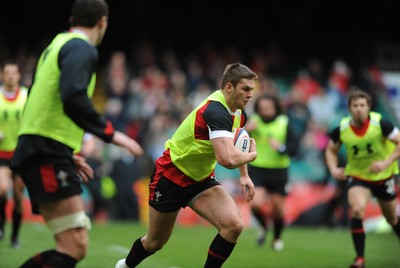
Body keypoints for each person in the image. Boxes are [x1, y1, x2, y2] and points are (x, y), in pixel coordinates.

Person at [10, 0, 144, 267]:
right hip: (45, 150)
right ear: (102, 22)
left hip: (45, 147)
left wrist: (67, 153)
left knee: (75, 245)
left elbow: (43, 102)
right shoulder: (83, 48)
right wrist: (111, 134)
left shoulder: (56, 45)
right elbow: (72, 95)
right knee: (73, 246)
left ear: (73, 20)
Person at [115, 62, 258, 268]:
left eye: (251, 90)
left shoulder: (240, 114)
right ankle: (126, 266)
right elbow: (226, 159)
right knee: (154, 243)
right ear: (229, 87)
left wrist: (244, 175)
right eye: (245, 89)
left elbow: (238, 146)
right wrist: (252, 157)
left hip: (200, 180)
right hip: (171, 177)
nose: (250, 94)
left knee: (233, 226)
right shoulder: (216, 111)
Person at [325, 88, 400, 268]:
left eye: (362, 105)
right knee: (357, 210)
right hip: (358, 176)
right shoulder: (341, 129)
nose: (359, 109)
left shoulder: (381, 124)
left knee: (391, 219)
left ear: (368, 107)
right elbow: (330, 150)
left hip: (383, 176)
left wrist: (386, 162)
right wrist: (333, 167)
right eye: (355, 105)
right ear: (349, 108)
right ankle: (360, 259)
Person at [245, 94, 299, 251]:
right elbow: (237, 140)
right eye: (262, 108)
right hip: (258, 169)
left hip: (279, 171)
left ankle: (276, 239)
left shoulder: (284, 123)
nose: (265, 110)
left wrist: (280, 147)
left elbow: (294, 149)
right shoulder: (252, 121)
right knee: (255, 204)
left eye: (268, 107)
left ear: (275, 107)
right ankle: (264, 226)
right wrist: (246, 131)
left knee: (278, 209)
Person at [0, 60, 28, 249]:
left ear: (18, 75)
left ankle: (15, 236)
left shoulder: (26, 96)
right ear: (2, 75)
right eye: (7, 73)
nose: (10, 76)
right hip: (2, 153)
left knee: (18, 199)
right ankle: (1, 225)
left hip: (21, 154)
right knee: (2, 190)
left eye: (13, 73)